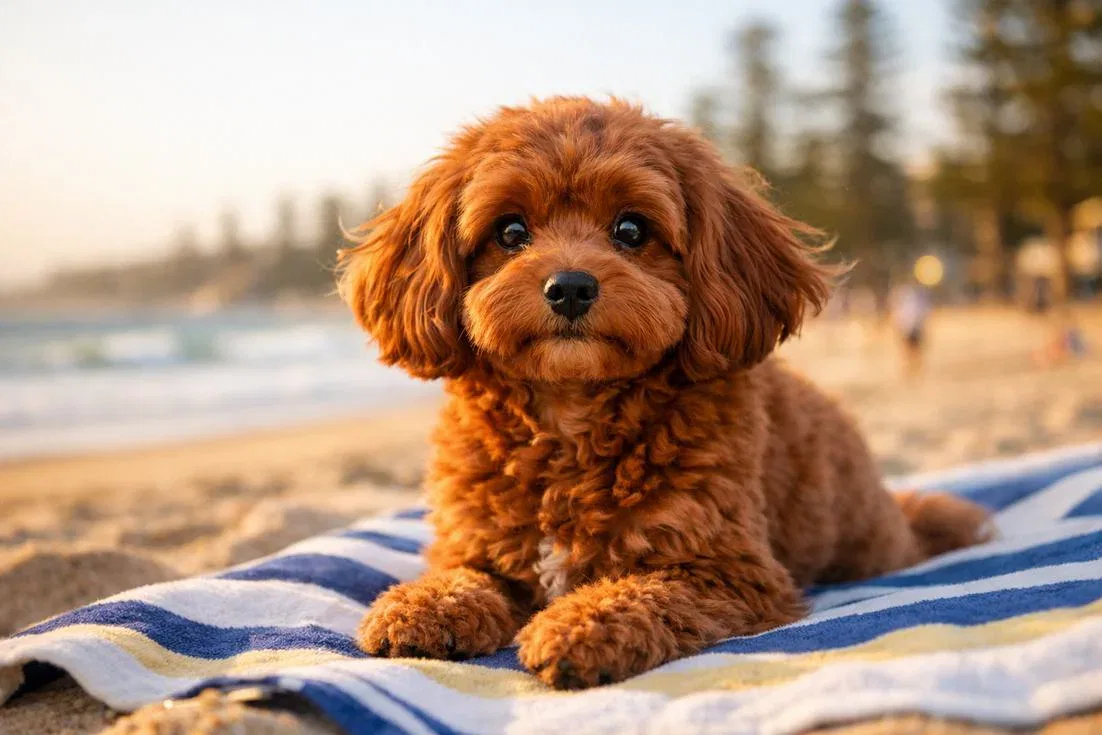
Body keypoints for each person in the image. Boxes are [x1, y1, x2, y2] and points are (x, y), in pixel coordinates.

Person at [890, 281, 932, 377]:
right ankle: (910, 369)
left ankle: (914, 370)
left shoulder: (919, 295)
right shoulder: (909, 295)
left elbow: (925, 312)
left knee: (915, 350)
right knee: (908, 350)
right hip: (908, 326)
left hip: (914, 326)